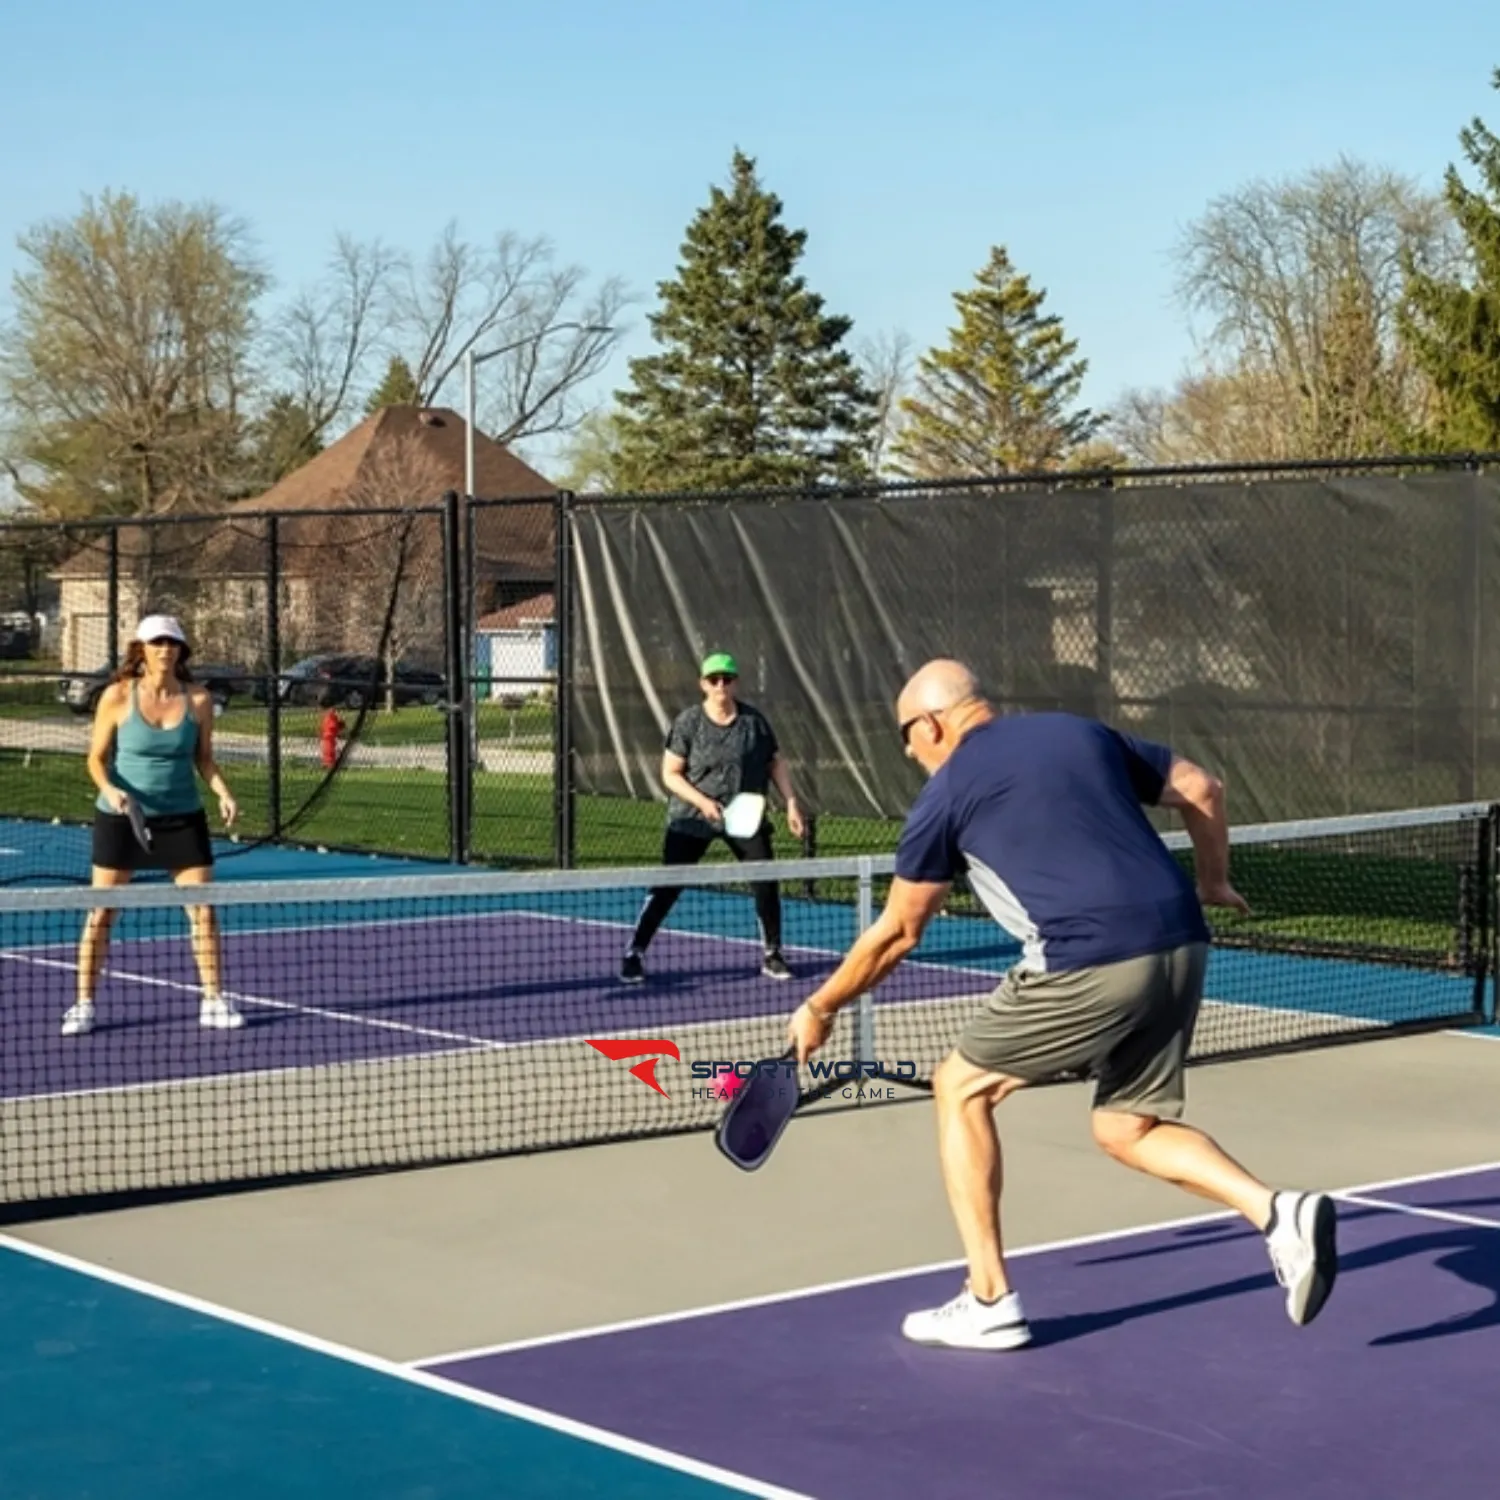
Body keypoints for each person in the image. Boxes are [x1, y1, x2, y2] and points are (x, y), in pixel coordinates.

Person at [785, 659, 1338, 1351]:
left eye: (906, 734)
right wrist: (1214, 881)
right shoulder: (1081, 733)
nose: (906, 750)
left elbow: (899, 931)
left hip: (1088, 956)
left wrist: (823, 1004)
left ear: (931, 724)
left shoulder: (947, 791)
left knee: (958, 1088)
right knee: (1126, 1128)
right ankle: (1278, 1213)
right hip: (1181, 944)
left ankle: (988, 1298)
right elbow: (1203, 787)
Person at [62, 614, 244, 1037]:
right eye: (157, 642)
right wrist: (110, 790)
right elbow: (95, 758)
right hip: (121, 819)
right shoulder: (117, 697)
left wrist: (223, 792)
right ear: (141, 649)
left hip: (183, 818)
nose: (166, 650)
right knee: (103, 911)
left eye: (173, 643)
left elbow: (203, 758)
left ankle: (213, 999)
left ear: (181, 651)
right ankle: (84, 1003)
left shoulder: (198, 700)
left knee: (203, 911)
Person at [620, 651, 806, 984]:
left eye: (727, 679)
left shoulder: (754, 722)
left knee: (765, 880)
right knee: (668, 885)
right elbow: (671, 773)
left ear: (735, 683)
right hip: (692, 817)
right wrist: (702, 802)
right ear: (703, 684)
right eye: (714, 679)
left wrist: (791, 802)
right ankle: (635, 952)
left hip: (744, 816)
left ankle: (772, 953)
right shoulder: (689, 722)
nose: (721, 685)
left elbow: (775, 762)